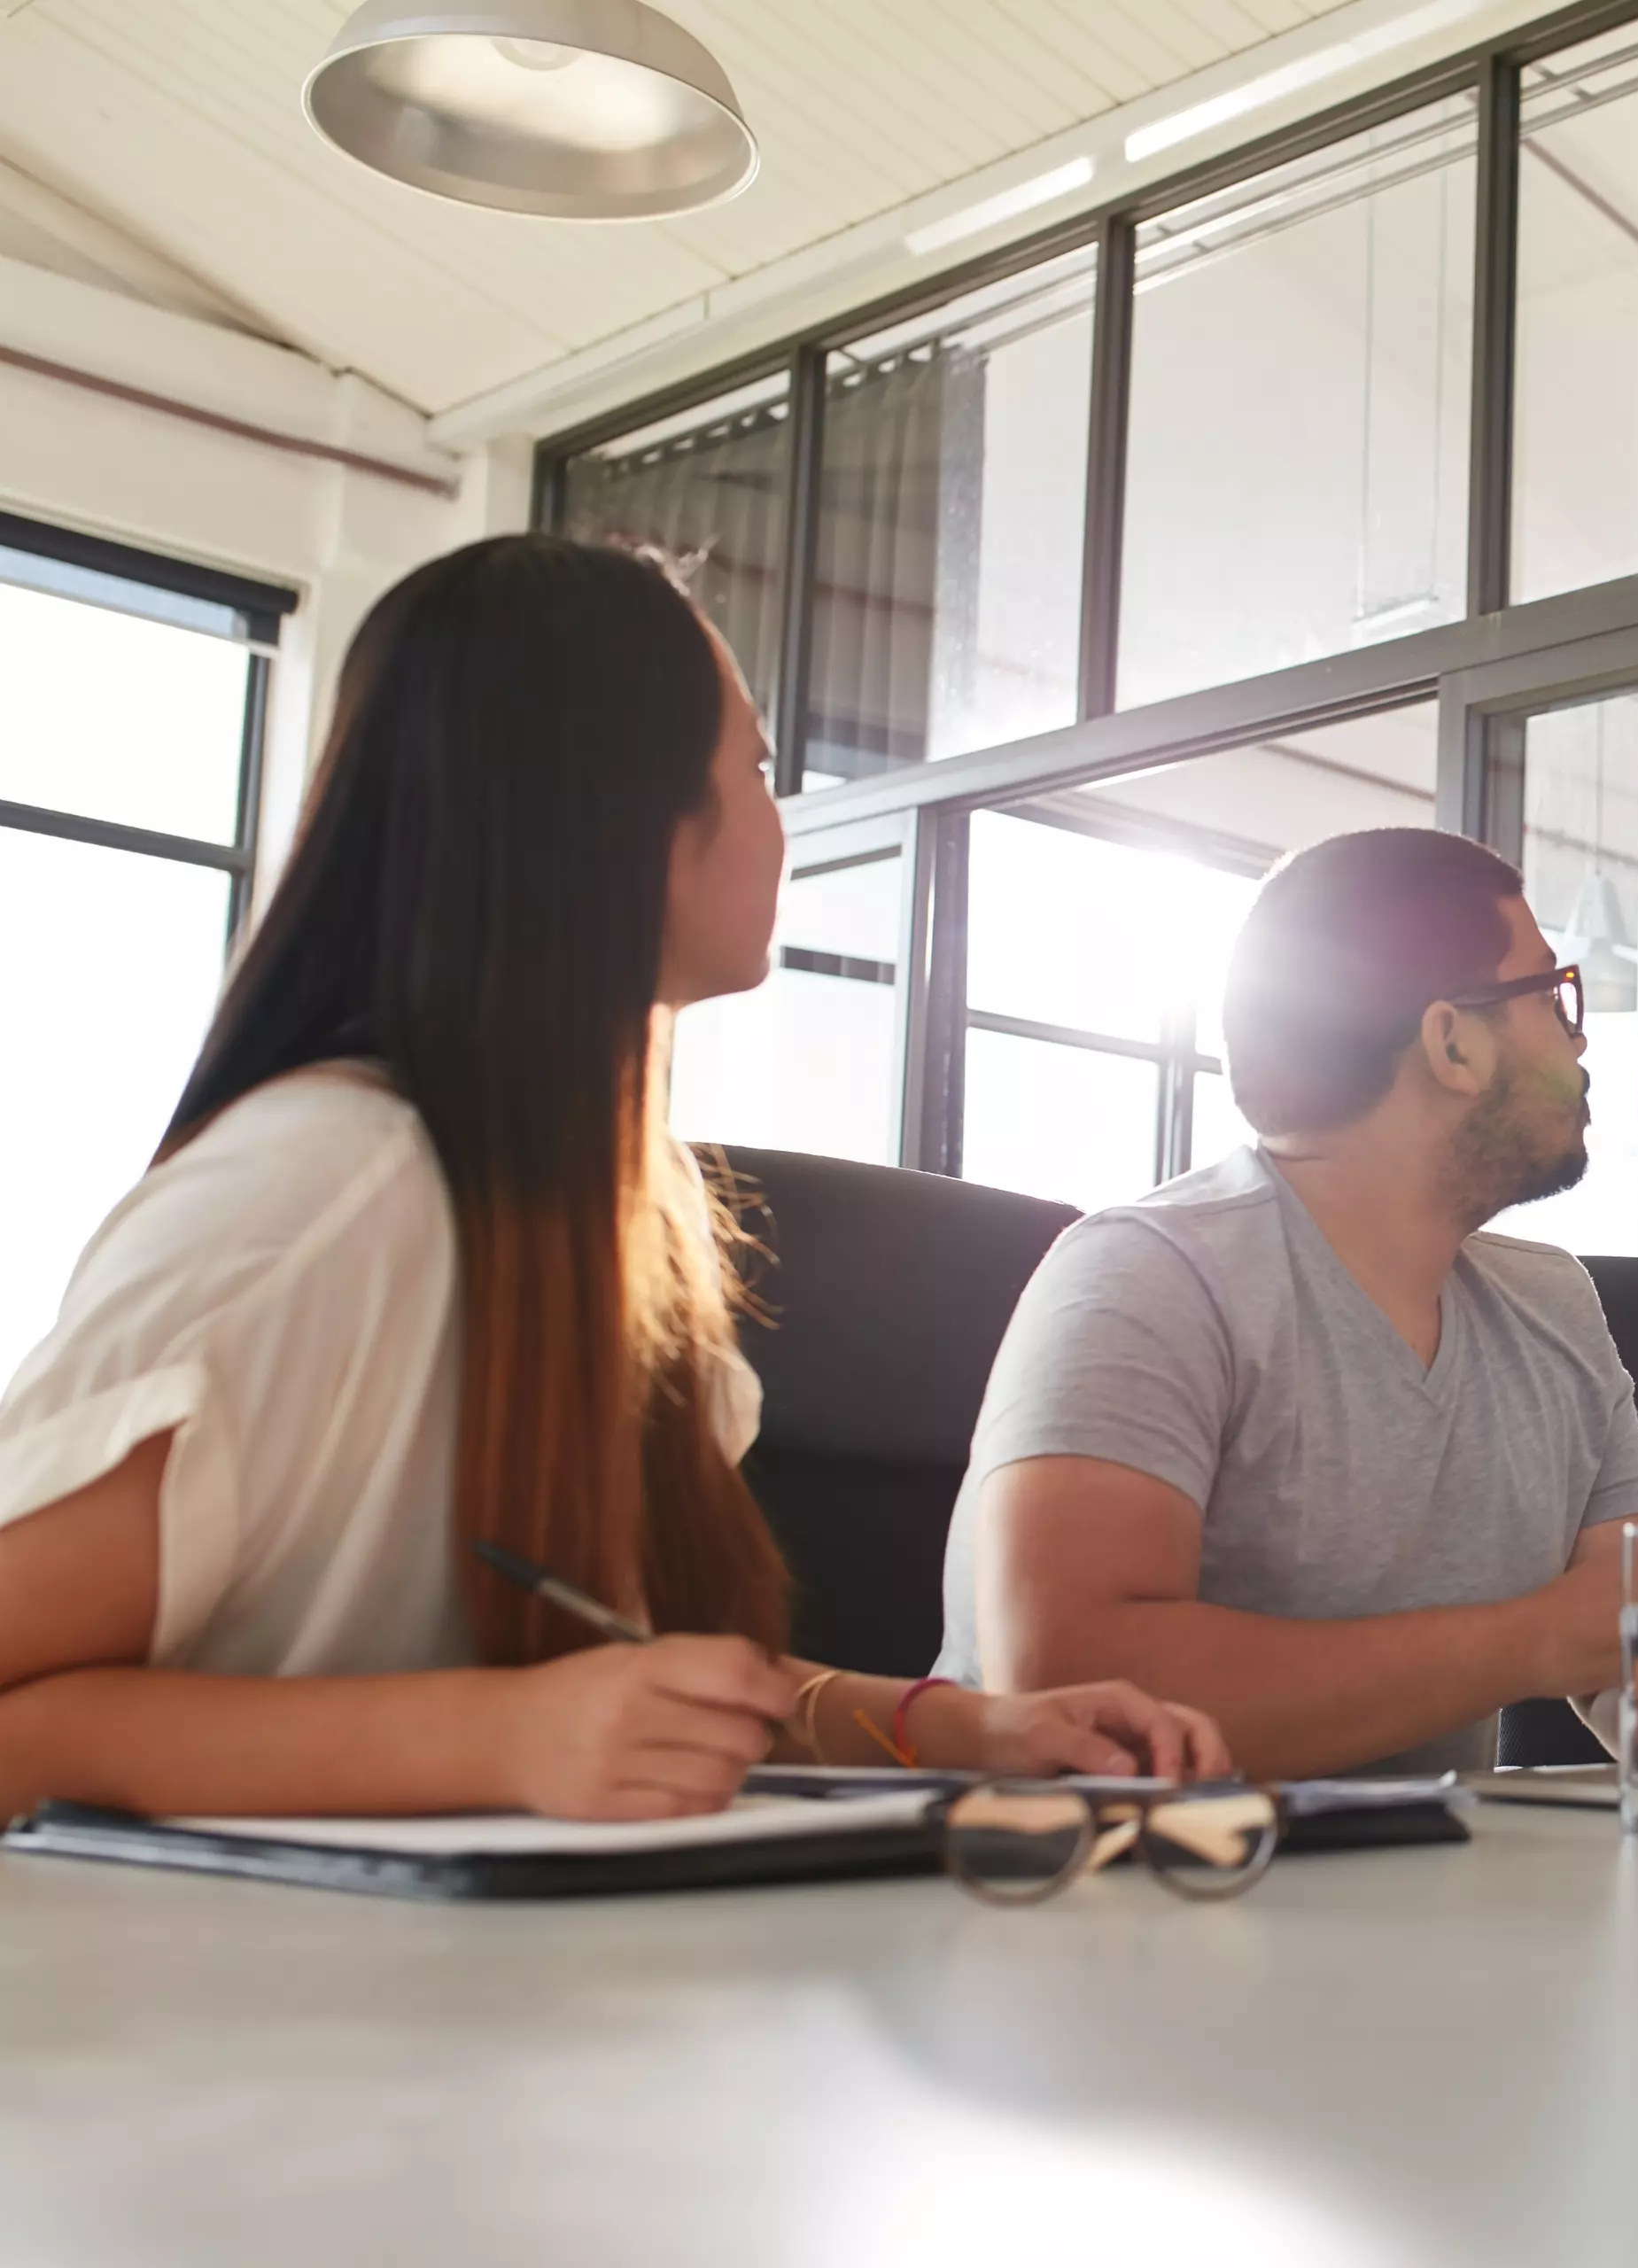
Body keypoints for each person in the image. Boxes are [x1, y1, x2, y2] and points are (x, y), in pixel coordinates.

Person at [0, 536, 1227, 1822]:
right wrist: (495, 1740)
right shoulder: (324, 1187)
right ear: (619, 814)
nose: (778, 818)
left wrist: (958, 1726)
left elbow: (640, 1685)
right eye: (753, 768)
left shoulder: (623, 1214)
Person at [939, 827, 1638, 1780]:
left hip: (1411, 1900)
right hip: (1089, 1901)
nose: (1580, 1039)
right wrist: (1535, 1637)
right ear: (1452, 1041)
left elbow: (1626, 1638)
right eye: (1552, 994)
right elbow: (1067, 1686)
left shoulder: (1553, 1305)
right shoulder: (1145, 1275)